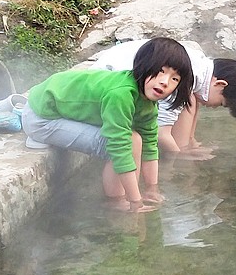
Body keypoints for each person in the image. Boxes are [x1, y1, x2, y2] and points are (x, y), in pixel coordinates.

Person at [22, 36, 193, 212]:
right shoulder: (121, 94)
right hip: (40, 119)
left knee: (136, 139)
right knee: (128, 142)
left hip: (53, 106)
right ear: (144, 64)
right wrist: (135, 201)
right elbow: (120, 149)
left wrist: (152, 189)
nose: (165, 82)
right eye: (161, 71)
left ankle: (128, 197)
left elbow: (150, 143)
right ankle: (115, 202)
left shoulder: (147, 100)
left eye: (175, 79)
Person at [82, 37, 236, 159]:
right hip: (100, 92)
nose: (214, 107)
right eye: (221, 104)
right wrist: (179, 157)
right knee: (185, 101)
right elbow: (160, 133)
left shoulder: (198, 66)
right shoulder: (179, 78)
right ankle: (181, 148)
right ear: (220, 84)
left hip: (104, 79)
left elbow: (192, 101)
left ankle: (186, 144)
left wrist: (191, 142)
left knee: (190, 98)